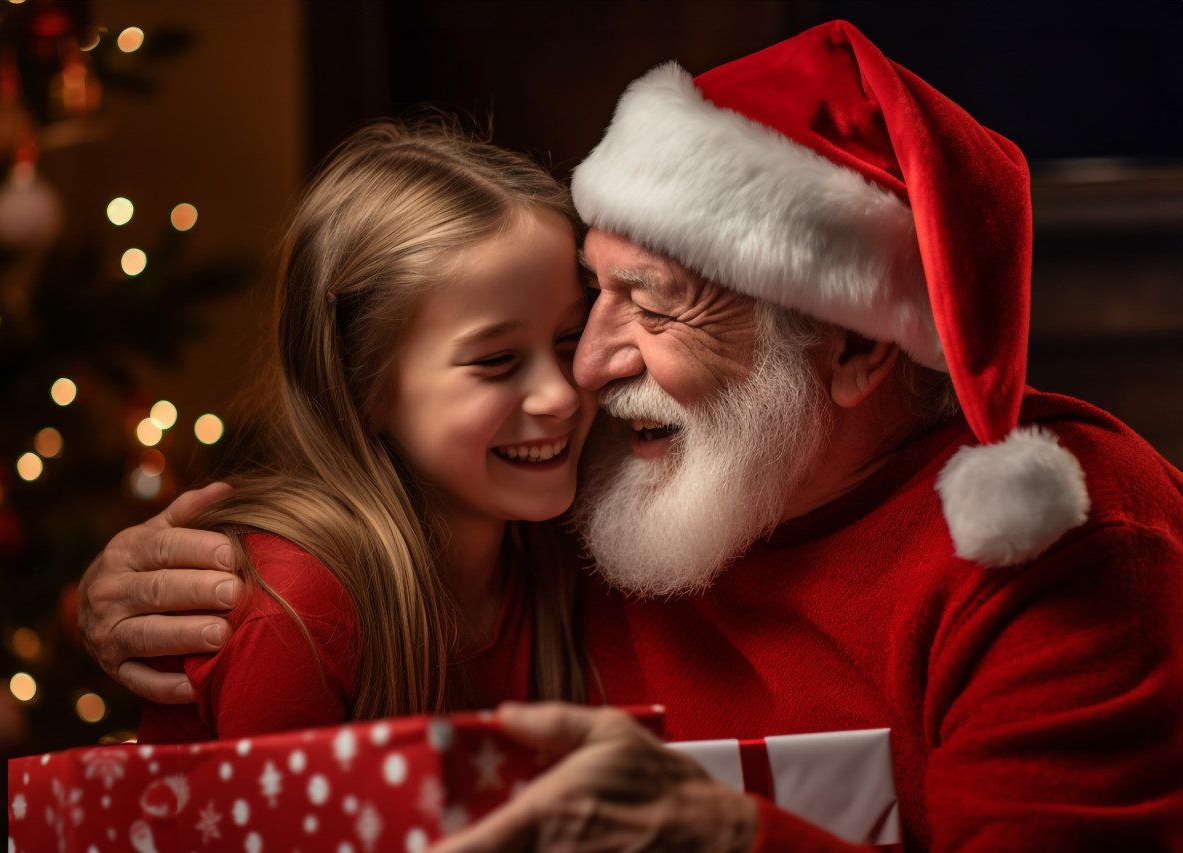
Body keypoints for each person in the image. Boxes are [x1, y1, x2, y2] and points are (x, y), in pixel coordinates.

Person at [79, 21, 1183, 852]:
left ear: (853, 350)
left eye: (653, 310)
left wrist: (728, 837)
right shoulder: (586, 487)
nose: (588, 369)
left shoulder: (1065, 552)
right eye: (589, 301)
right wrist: (145, 595)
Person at [131, 117, 597, 742]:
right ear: (362, 389)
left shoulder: (563, 556)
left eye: (570, 340)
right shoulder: (299, 611)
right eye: (496, 360)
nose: (562, 395)